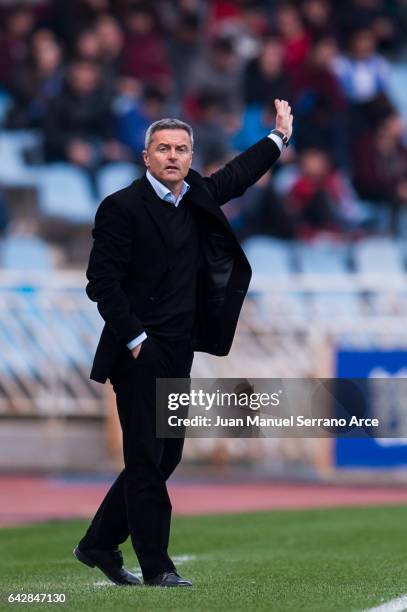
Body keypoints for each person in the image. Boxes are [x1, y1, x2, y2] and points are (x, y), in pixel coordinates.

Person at [74, 100, 293, 587]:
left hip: (179, 350)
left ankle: (98, 543)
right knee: (147, 459)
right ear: (145, 156)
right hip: (138, 352)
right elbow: (100, 282)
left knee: (166, 456)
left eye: (181, 149)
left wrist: (278, 138)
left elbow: (236, 176)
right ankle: (157, 566)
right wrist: (135, 339)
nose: (172, 156)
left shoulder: (196, 195)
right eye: (162, 148)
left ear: (190, 156)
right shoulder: (120, 207)